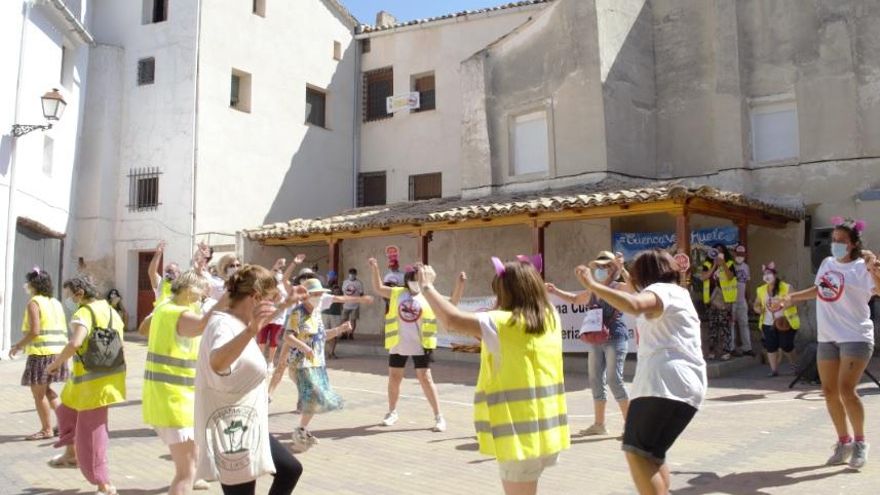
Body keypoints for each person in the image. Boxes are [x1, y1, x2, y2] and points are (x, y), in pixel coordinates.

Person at [417, 258, 569, 495]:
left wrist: (427, 287)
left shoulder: (502, 323)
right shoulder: (550, 317)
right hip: (545, 429)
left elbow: (451, 320)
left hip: (518, 434)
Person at [580, 249, 706, 495]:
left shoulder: (660, 290)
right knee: (653, 455)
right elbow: (631, 290)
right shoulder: (676, 292)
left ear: (645, 274)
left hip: (663, 384)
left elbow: (635, 305)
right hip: (684, 386)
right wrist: (617, 270)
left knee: (635, 452)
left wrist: (593, 283)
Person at [774, 217, 880, 470]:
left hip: (855, 336)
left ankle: (860, 443)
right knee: (829, 392)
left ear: (854, 244)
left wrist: (875, 271)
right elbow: (820, 290)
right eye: (833, 240)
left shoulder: (862, 267)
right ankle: (843, 442)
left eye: (841, 241)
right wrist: (790, 298)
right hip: (827, 337)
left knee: (846, 390)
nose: (835, 244)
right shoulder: (827, 263)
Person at [194, 265, 303, 494]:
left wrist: (284, 305)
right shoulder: (222, 324)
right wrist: (252, 331)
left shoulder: (238, 321)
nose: (273, 305)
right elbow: (217, 362)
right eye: (271, 300)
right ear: (255, 298)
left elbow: (257, 324)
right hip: (232, 429)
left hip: (249, 422)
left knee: (289, 469)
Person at [45, 275, 126, 495]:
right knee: (65, 410)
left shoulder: (84, 313)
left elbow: (75, 343)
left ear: (80, 293)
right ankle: (71, 453)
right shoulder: (109, 309)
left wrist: (55, 364)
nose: (69, 298)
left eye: (70, 294)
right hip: (102, 378)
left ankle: (103, 483)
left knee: (91, 434)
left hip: (93, 384)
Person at [269, 278, 365, 453]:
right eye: (316, 294)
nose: (319, 297)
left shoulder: (316, 313)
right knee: (313, 396)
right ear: (306, 296)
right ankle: (300, 433)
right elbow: (288, 337)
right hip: (300, 364)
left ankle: (302, 431)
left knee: (315, 399)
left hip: (317, 362)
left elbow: (320, 336)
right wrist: (305, 348)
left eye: (321, 294)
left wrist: (339, 330)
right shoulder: (297, 313)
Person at [143, 271, 218, 495]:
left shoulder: (164, 308)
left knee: (189, 467)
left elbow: (142, 329)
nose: (203, 294)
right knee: (186, 472)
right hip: (175, 399)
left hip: (171, 398)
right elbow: (206, 324)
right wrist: (228, 302)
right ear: (187, 289)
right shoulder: (178, 313)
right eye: (200, 290)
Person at [369, 258, 463, 433]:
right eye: (414, 278)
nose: (416, 282)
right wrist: (375, 268)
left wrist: (460, 284)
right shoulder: (398, 293)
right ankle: (392, 412)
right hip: (398, 342)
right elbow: (379, 288)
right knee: (394, 378)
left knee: (425, 379)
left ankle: (438, 416)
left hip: (421, 344)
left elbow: (453, 303)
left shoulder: (429, 295)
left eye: (420, 278)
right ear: (407, 279)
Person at [546, 251, 630, 436]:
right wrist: (555, 291)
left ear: (612, 268)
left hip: (615, 336)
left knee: (615, 380)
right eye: (598, 266)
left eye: (604, 266)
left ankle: (631, 426)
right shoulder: (594, 289)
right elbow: (575, 299)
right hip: (596, 339)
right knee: (595, 380)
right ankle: (599, 425)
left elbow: (635, 290)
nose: (600, 270)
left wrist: (623, 269)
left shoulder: (618, 287)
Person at [9, 268, 69, 441]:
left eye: (28, 282)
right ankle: (66, 423)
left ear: (33, 285)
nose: (26, 286)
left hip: (41, 354)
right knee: (47, 390)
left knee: (39, 394)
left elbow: (35, 331)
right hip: (57, 353)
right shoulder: (55, 302)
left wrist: (18, 346)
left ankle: (46, 429)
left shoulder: (34, 303)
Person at [753, 262, 800, 377]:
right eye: (764, 274)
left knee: (786, 345)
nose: (767, 276)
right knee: (771, 346)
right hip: (768, 322)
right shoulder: (761, 290)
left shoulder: (787, 287)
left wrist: (783, 304)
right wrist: (758, 309)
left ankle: (796, 366)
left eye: (769, 273)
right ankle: (774, 370)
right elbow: (757, 304)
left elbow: (795, 301)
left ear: (775, 274)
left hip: (785, 321)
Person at [700, 244, 737, 361]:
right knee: (712, 326)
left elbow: (730, 277)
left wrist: (723, 264)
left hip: (724, 299)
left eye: (721, 251)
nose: (718, 253)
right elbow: (703, 277)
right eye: (716, 251)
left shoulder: (730, 263)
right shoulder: (707, 264)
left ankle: (726, 351)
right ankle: (712, 351)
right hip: (711, 299)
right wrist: (715, 265)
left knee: (725, 325)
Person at [731, 245, 754, 357]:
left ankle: (747, 347)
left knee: (744, 323)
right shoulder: (730, 266)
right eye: (738, 254)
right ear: (734, 254)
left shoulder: (746, 267)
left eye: (742, 255)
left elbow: (747, 283)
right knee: (731, 324)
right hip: (731, 300)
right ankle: (731, 348)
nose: (740, 257)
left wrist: (748, 298)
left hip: (741, 300)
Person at [149, 241, 182, 305]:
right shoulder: (160, 283)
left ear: (179, 273)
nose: (169, 274)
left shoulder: (182, 288)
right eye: (167, 271)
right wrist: (158, 254)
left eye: (171, 271)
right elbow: (151, 272)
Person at [341, 268, 364, 340]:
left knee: (353, 320)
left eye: (353, 273)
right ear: (349, 274)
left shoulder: (359, 283)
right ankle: (344, 333)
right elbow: (343, 292)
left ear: (356, 274)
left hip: (355, 305)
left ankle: (351, 333)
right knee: (344, 320)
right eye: (351, 273)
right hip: (346, 304)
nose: (352, 275)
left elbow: (361, 293)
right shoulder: (345, 282)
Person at [322, 282, 344, 359]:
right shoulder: (328, 295)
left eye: (337, 290)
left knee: (334, 335)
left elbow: (342, 304)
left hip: (335, 315)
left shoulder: (340, 297)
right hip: (326, 315)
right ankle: (327, 352)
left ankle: (331, 352)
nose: (336, 291)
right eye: (334, 289)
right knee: (324, 335)